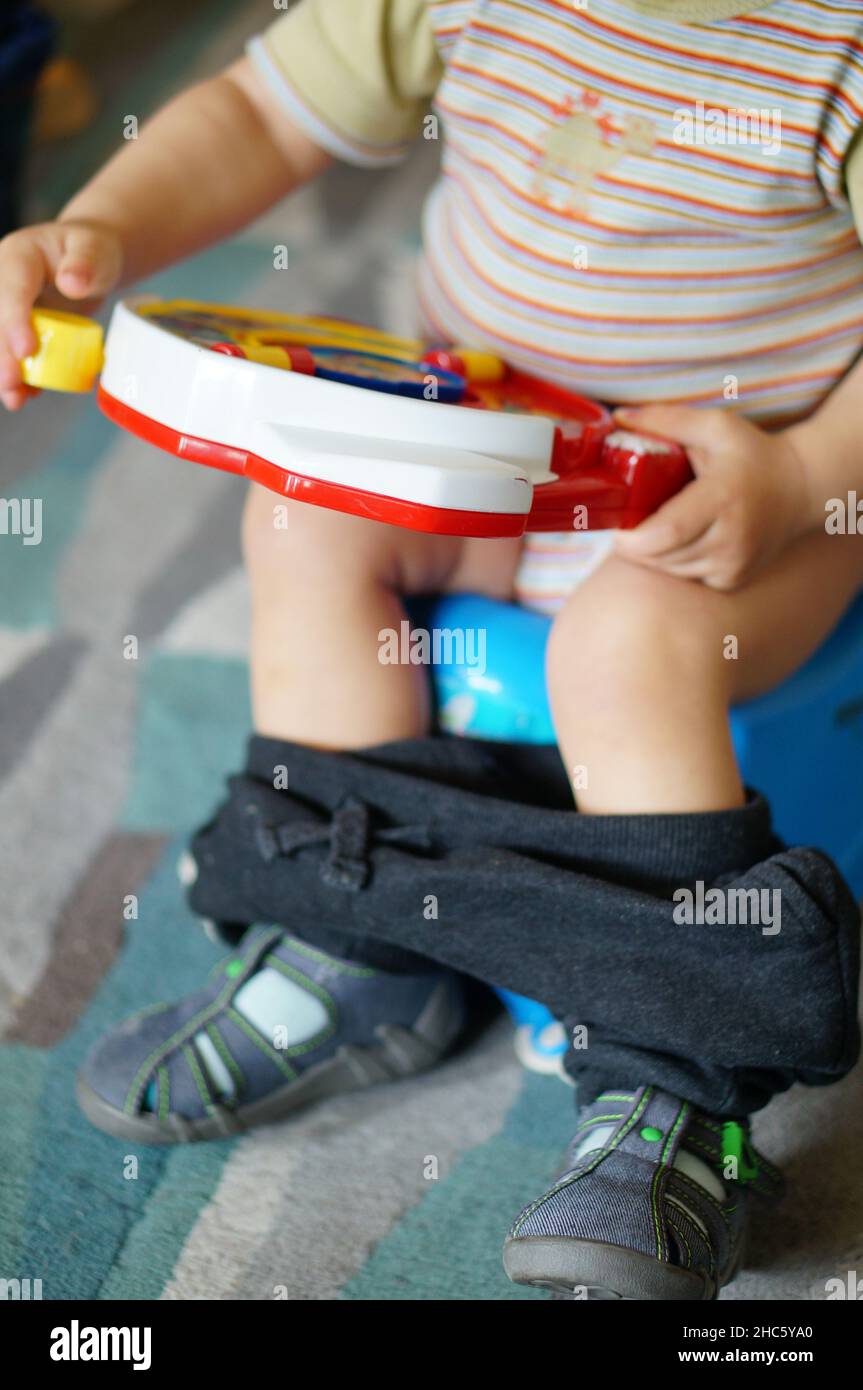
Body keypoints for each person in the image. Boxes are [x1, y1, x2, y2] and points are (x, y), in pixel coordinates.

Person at [1, 0, 861, 1299]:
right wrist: (105, 225)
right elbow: (257, 111)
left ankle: (680, 1091)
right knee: (302, 516)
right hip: (482, 448)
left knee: (627, 643)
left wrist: (803, 476)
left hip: (748, 496)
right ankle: (350, 938)